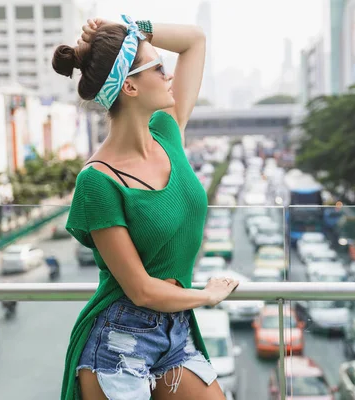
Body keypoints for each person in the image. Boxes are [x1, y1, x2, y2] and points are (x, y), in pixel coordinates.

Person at [52, 15, 239, 400]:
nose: (168, 74)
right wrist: (207, 295)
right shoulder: (97, 181)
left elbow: (194, 41)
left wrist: (135, 29)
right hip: (119, 342)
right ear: (131, 86)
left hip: (175, 331)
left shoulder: (167, 132)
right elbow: (139, 290)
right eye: (157, 66)